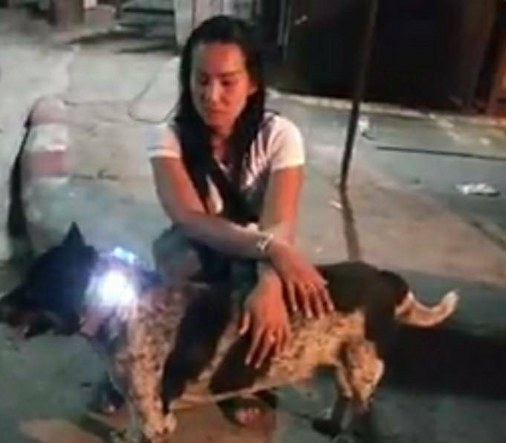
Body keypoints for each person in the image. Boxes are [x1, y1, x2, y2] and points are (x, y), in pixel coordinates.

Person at [92, 14, 333, 427]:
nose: (212, 95)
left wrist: (270, 281)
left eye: (227, 81)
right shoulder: (167, 138)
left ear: (252, 83)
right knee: (174, 280)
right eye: (201, 80)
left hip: (257, 249)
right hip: (203, 245)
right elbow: (191, 219)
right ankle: (133, 367)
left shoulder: (281, 136)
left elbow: (280, 220)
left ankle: (240, 378)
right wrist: (272, 250)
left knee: (272, 297)